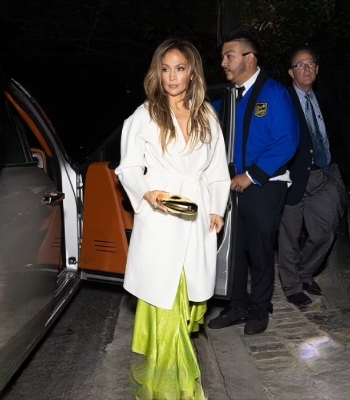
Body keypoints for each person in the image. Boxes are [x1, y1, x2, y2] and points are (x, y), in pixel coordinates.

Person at [114, 38, 230, 399]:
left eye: (179, 68)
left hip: (197, 216)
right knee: (167, 301)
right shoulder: (145, 115)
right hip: (162, 217)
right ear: (157, 73)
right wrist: (147, 193)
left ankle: (169, 380)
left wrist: (217, 208)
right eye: (165, 69)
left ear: (192, 72)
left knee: (186, 299)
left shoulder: (206, 115)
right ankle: (173, 389)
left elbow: (217, 168)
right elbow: (128, 168)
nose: (172, 76)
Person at [207, 26, 299, 335]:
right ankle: (237, 305)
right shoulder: (223, 97)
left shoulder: (274, 93)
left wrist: (252, 175)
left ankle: (260, 308)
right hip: (228, 186)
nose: (223, 62)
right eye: (223, 57)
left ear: (250, 58)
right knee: (233, 249)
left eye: (229, 56)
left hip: (264, 185)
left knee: (260, 250)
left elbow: (287, 141)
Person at [277, 49, 348, 307]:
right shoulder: (281, 100)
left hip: (325, 175)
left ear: (317, 69)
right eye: (300, 65)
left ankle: (305, 273)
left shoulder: (327, 98)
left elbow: (339, 133)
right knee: (290, 235)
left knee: (325, 232)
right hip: (293, 177)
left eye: (310, 64)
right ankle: (292, 286)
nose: (306, 69)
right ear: (291, 72)